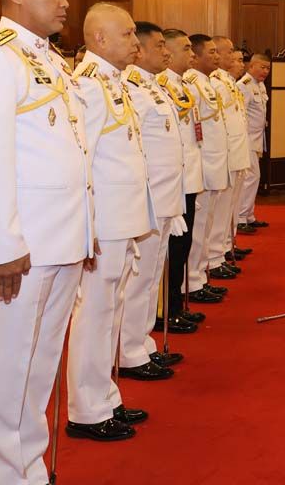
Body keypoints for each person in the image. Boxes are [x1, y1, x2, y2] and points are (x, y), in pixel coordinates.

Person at [0, 0, 92, 485]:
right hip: (20, 248)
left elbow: (71, 151)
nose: (65, 2)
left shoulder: (50, 60)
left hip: (60, 239)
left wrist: (86, 228)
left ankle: (27, 470)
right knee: (5, 374)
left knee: (38, 370)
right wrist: (1, 245)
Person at [66, 3, 156, 442]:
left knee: (110, 312)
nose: (135, 42)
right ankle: (86, 409)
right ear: (99, 39)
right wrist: (89, 225)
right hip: (105, 222)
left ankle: (104, 395)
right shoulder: (87, 85)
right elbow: (80, 160)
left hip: (122, 219)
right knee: (95, 315)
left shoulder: (112, 81)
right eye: (128, 33)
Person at [117, 21, 190, 380]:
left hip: (164, 197)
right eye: (159, 45)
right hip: (146, 201)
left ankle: (142, 343)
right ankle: (128, 351)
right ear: (140, 50)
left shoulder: (153, 86)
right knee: (139, 279)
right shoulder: (131, 87)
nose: (165, 52)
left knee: (149, 279)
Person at [159, 29, 215, 320]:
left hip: (189, 178)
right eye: (185, 49)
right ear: (167, 51)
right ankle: (167, 309)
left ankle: (176, 303)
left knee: (183, 245)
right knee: (173, 249)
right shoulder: (161, 86)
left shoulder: (182, 85)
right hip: (174, 182)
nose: (191, 54)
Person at [185, 35, 234, 296]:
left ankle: (201, 274)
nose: (216, 57)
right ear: (196, 56)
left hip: (214, 163)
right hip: (202, 166)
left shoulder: (206, 83)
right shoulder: (192, 85)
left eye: (217, 52)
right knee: (198, 227)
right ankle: (192, 281)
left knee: (206, 224)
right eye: (211, 52)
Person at [209, 36, 252, 262]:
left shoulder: (227, 81)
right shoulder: (215, 82)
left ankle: (227, 245)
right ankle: (217, 254)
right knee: (220, 209)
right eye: (229, 51)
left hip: (237, 152)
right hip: (226, 155)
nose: (234, 55)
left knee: (230, 206)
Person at [237, 52, 271, 232]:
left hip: (257, 139)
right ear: (251, 66)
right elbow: (240, 114)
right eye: (262, 67)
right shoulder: (243, 86)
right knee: (250, 178)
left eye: (268, 68)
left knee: (253, 178)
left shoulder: (260, 85)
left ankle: (249, 215)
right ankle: (241, 218)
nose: (265, 71)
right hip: (247, 139)